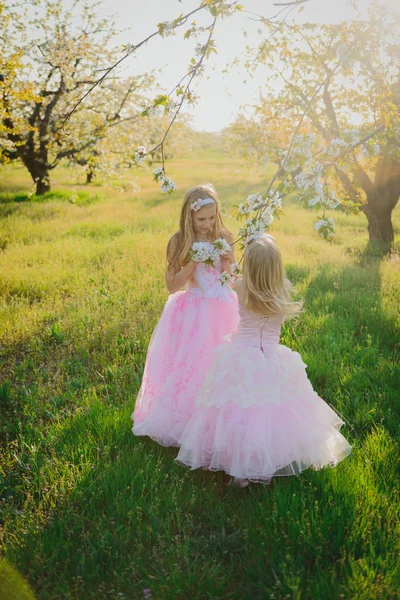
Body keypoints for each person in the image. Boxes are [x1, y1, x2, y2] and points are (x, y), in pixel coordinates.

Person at [174, 234, 352, 486]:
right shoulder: (283, 288)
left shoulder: (240, 287)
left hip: (241, 357)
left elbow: (231, 278)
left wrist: (227, 262)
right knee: (274, 407)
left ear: (251, 266)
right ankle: (267, 462)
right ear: (276, 265)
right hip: (272, 357)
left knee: (240, 408)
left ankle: (242, 469)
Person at [132, 183, 239, 446]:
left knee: (225, 362)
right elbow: (172, 286)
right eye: (201, 219)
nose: (207, 224)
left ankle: (221, 419)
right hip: (195, 311)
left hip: (223, 307)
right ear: (189, 215)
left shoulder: (223, 235)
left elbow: (230, 279)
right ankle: (188, 419)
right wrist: (193, 261)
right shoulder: (179, 241)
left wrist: (227, 260)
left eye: (212, 218)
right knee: (194, 363)